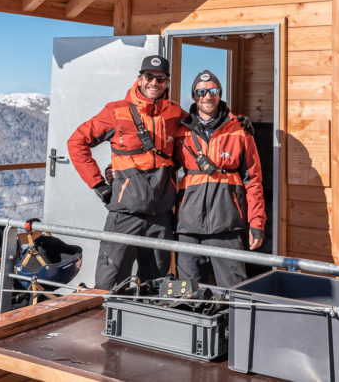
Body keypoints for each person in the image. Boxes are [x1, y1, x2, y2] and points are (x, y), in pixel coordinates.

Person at [67, 54, 183, 289]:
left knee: (157, 285)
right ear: (139, 79)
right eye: (149, 76)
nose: (154, 82)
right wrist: (99, 185)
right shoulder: (115, 111)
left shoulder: (175, 113)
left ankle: (147, 326)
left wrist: (234, 120)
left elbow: (203, 127)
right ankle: (107, 324)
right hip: (124, 215)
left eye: (160, 78)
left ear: (167, 83)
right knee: (109, 283)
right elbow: (76, 142)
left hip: (160, 218)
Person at [173, 69, 266, 287]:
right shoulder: (180, 131)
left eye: (213, 90)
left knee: (234, 292)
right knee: (188, 295)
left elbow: (253, 181)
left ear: (220, 94)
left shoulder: (240, 131)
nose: (207, 96)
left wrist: (257, 223)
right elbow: (160, 165)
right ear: (194, 95)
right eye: (202, 91)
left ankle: (231, 323)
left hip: (227, 228)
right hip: (188, 229)